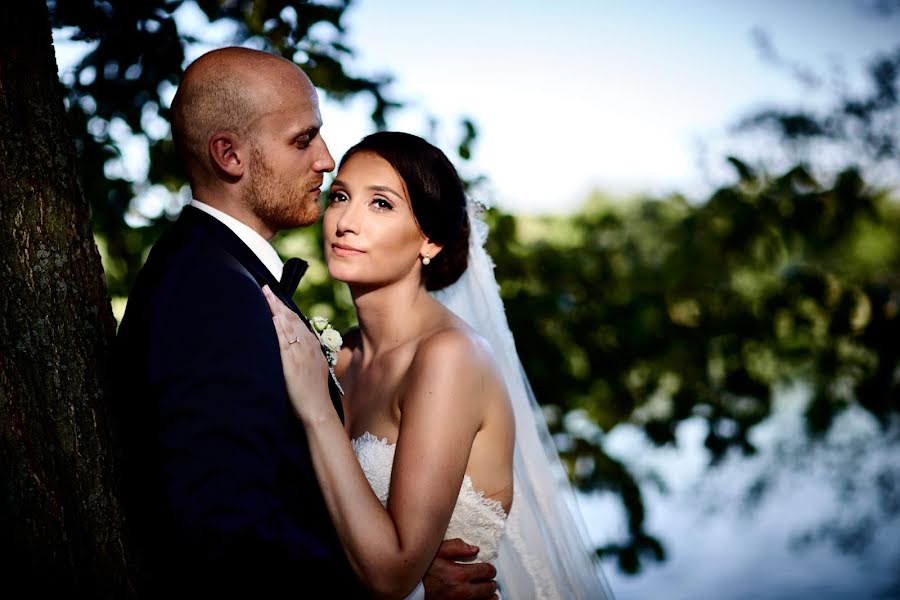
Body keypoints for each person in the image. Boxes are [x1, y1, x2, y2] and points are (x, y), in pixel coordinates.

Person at [112, 47, 496, 598]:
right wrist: (394, 581)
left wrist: (398, 567)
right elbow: (224, 540)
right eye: (302, 139)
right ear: (230, 155)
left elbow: (275, 494)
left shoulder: (214, 271)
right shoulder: (210, 293)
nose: (325, 158)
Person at [264, 131, 615, 599]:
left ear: (429, 241)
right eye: (341, 196)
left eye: (381, 204)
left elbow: (391, 574)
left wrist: (317, 410)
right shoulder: (337, 355)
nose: (345, 221)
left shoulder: (450, 356)